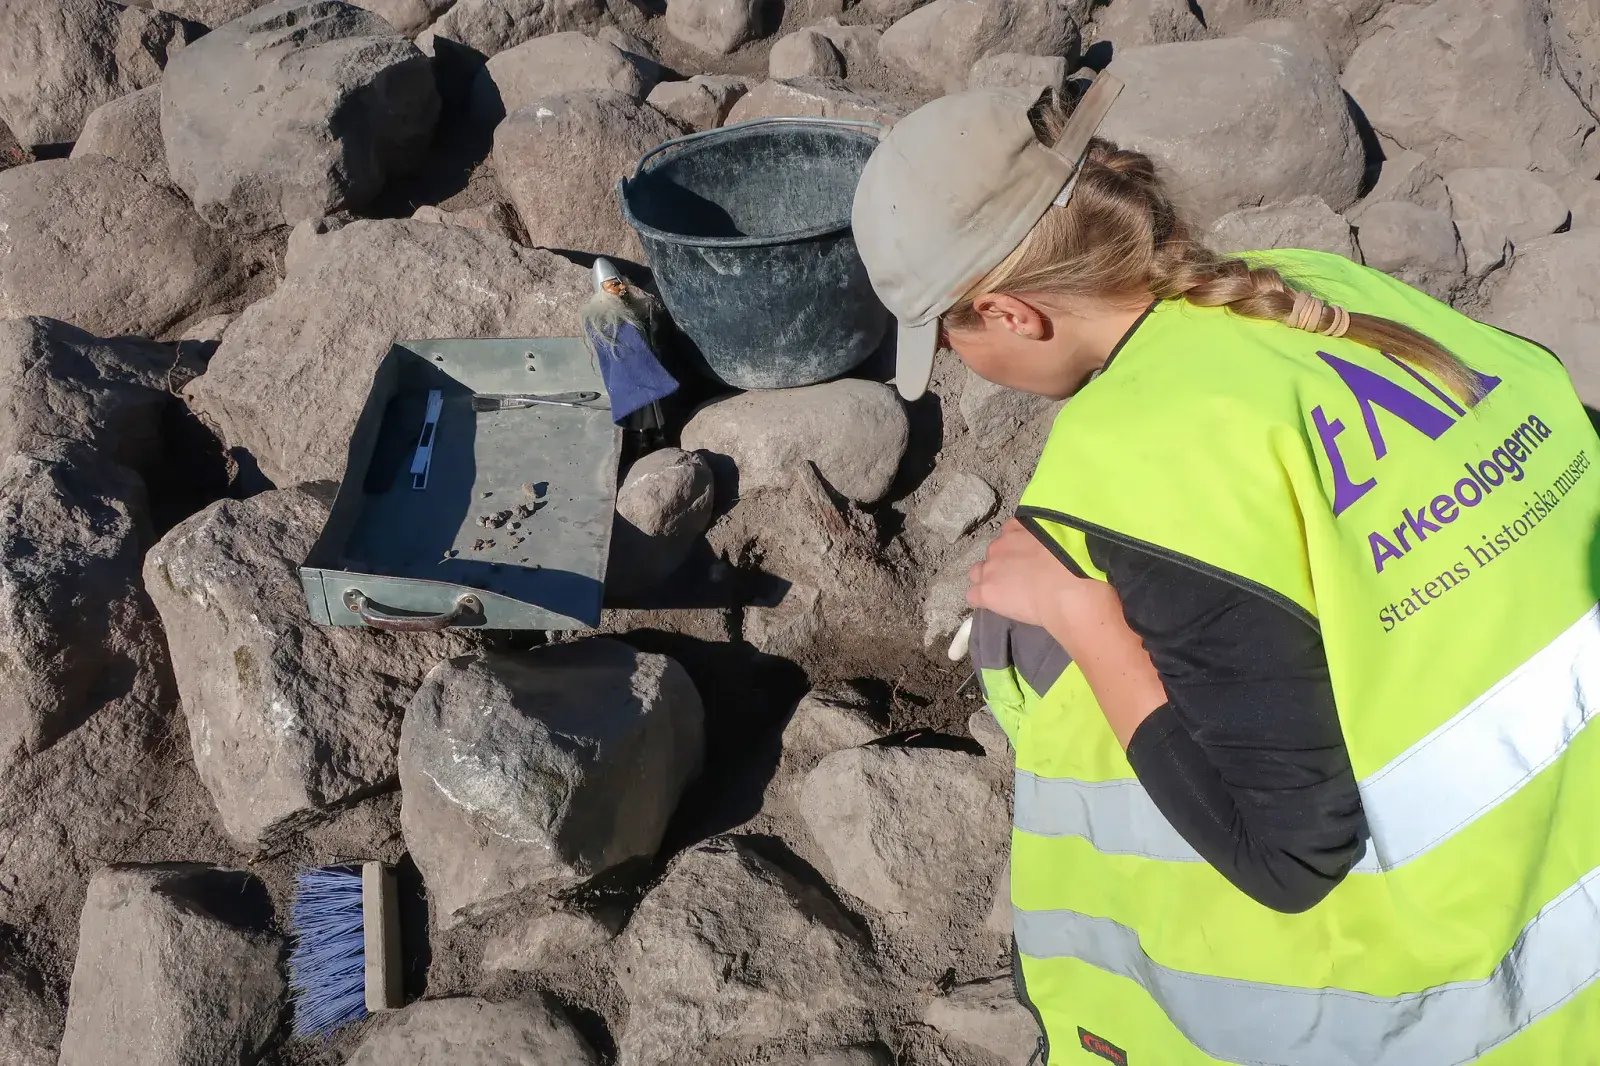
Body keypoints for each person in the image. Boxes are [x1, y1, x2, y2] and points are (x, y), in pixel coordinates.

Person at [851, 71, 1600, 1064]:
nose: (955, 359)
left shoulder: (1144, 452)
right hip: (1567, 829)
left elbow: (1289, 855)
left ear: (1011, 313)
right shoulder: (1313, 290)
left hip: (1507, 998)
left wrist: (1083, 618)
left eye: (948, 336)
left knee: (1047, 665)